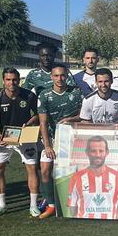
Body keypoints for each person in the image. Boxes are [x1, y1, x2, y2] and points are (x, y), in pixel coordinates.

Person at [0, 68, 40, 218]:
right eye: (8, 80)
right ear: (3, 80)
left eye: (14, 80)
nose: (12, 83)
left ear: (19, 80)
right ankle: (2, 205)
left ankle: (33, 205)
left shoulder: (29, 95)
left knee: (31, 168)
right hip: (6, 137)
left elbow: (37, 115)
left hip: (24, 136)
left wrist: (28, 124)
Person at [37, 63, 83, 219]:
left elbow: (83, 115)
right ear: (51, 77)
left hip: (71, 137)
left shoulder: (76, 92)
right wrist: (48, 145)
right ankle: (50, 204)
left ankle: (72, 202)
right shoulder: (44, 95)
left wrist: (70, 119)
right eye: (56, 76)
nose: (60, 78)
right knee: (45, 170)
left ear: (67, 76)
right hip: (50, 138)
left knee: (72, 172)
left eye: (62, 75)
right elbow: (43, 122)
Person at [67, 136, 118, 219]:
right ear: (87, 152)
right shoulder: (77, 177)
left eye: (101, 151)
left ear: (107, 152)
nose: (97, 155)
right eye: (93, 151)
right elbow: (73, 207)